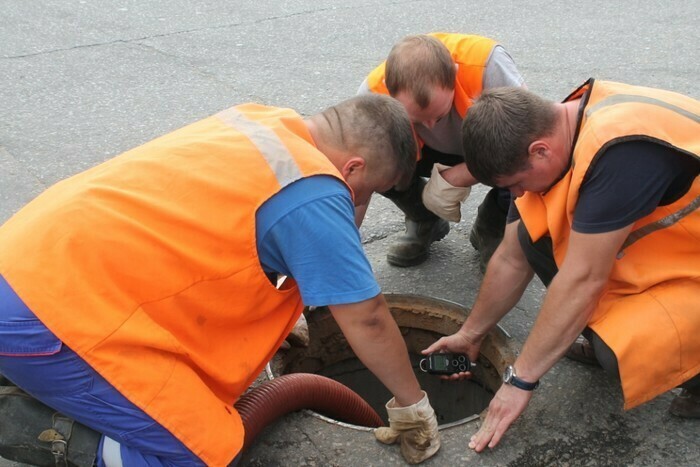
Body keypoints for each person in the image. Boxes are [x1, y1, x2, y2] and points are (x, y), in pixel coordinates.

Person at [0, 94, 440, 466]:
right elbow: (368, 319)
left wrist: (267, 320)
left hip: (28, 260)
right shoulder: (317, 190)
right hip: (45, 317)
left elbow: (221, 238)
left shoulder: (265, 122)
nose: (357, 203)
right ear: (353, 169)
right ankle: (30, 422)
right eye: (366, 192)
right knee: (200, 450)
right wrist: (412, 406)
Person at [424, 80, 700, 452]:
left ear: (539, 151)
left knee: (621, 346)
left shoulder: (618, 154)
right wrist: (471, 334)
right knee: (535, 237)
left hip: (689, 259)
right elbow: (510, 255)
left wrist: (519, 381)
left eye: (517, 184)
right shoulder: (558, 125)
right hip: (676, 250)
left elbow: (584, 279)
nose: (519, 194)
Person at [357, 33, 526, 269]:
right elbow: (356, 184)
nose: (430, 127)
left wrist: (464, 174)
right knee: (376, 163)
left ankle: (493, 227)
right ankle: (424, 218)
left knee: (522, 167)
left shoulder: (487, 67)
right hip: (423, 154)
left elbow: (525, 142)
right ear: (389, 90)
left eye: (439, 115)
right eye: (417, 120)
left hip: (487, 146)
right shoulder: (372, 95)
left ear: (453, 76)